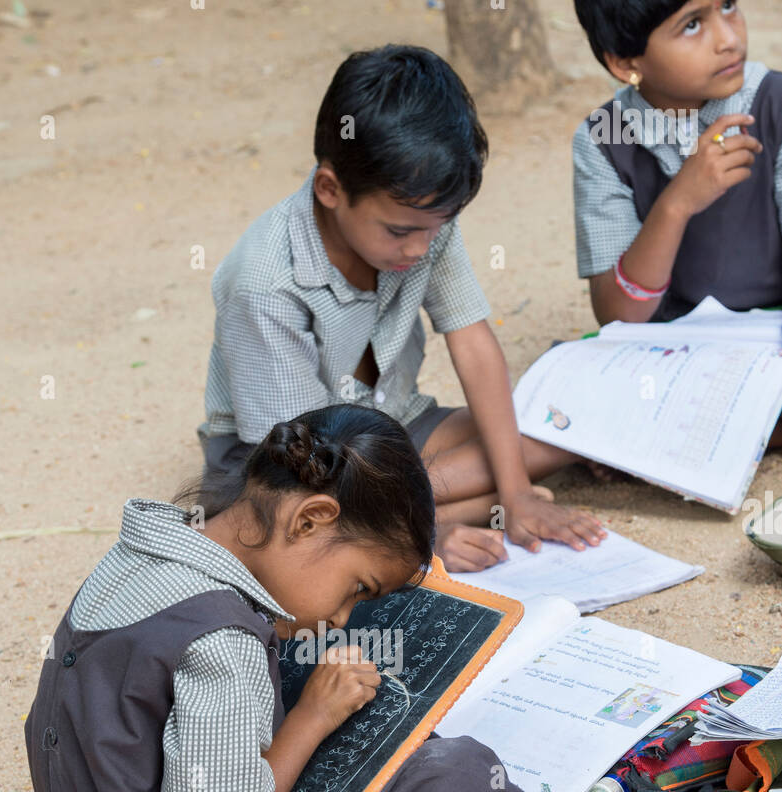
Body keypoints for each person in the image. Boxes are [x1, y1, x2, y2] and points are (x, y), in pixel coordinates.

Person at [19, 405, 565, 792]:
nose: (346, 617)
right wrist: (313, 717)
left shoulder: (148, 550)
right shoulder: (223, 642)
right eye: (357, 587)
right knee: (462, 781)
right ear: (308, 521)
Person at [198, 44, 605, 573]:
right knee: (288, 530)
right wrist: (424, 537)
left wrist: (519, 493)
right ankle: (417, 518)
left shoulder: (421, 214)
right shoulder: (264, 283)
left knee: (562, 427)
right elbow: (300, 465)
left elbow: (473, 343)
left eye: (434, 229)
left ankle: (455, 505)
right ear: (330, 188)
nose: (418, 249)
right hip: (281, 462)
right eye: (400, 232)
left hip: (387, 425)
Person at [572, 0, 782, 326]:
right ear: (626, 64)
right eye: (692, 25)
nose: (729, 39)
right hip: (671, 348)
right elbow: (619, 316)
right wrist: (677, 203)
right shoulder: (603, 138)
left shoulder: (775, 107)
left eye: (727, 6)